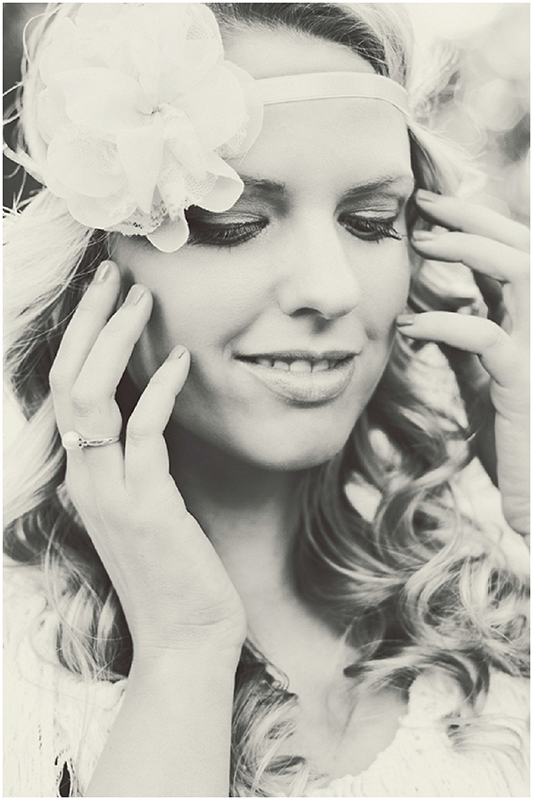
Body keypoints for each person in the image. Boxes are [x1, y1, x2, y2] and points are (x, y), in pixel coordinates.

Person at [3, 3, 529, 797]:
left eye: (370, 221)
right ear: (90, 272)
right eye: (235, 222)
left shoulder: (499, 592)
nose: (331, 287)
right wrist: (183, 653)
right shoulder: (21, 672)